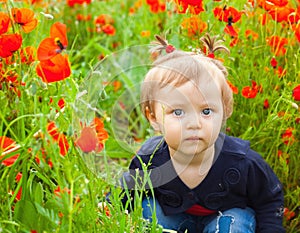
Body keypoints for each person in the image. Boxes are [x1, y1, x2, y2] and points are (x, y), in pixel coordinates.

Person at [113, 35, 285, 233]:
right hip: (173, 219)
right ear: (153, 118)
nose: (193, 124)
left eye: (206, 111)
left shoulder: (242, 162)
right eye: (177, 112)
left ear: (225, 111)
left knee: (233, 224)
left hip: (225, 217)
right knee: (148, 209)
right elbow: (125, 192)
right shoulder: (149, 159)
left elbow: (269, 201)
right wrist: (108, 209)